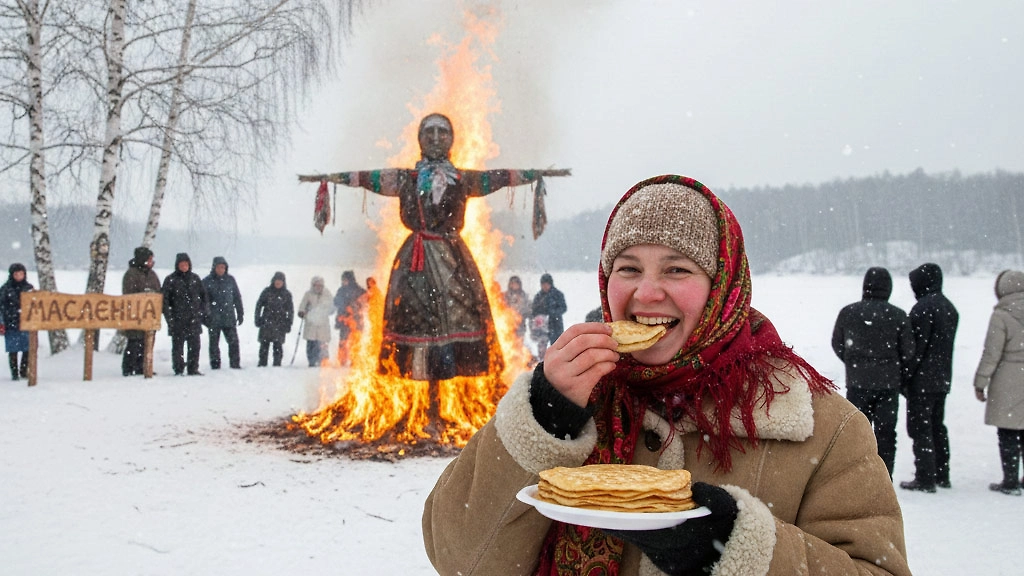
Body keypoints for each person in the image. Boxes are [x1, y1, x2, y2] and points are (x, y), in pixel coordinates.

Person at [422, 175, 910, 576]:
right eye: (628, 268)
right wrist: (542, 420)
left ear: (722, 287)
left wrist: (740, 549)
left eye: (677, 270)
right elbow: (460, 558)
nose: (647, 293)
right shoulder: (571, 395)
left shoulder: (820, 426)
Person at [297, 113, 569, 381]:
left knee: (460, 312)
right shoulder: (406, 179)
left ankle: (451, 367)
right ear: (420, 139)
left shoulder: (462, 179)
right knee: (414, 314)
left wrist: (535, 175)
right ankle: (418, 370)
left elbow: (497, 177)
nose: (436, 138)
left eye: (443, 132)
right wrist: (330, 179)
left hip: (453, 258)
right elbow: (367, 177)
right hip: (414, 259)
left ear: (451, 139)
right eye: (430, 133)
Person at [831, 266, 915, 477]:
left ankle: (858, 476)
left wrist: (853, 362)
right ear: (888, 288)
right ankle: (885, 478)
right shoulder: (897, 315)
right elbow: (908, 351)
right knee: (886, 434)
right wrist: (892, 366)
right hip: (888, 384)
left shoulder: (848, 312)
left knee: (858, 433)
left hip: (858, 383)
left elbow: (837, 343)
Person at [900, 262, 959, 493]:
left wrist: (905, 377)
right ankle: (942, 474)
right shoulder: (949, 308)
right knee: (937, 426)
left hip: (922, 381)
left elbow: (916, 350)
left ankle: (925, 478)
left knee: (920, 428)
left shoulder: (922, 309)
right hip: (942, 378)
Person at [973, 269, 1024, 496]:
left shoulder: (1001, 316)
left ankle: (1010, 481)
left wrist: (980, 382)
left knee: (1008, 432)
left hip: (1008, 382)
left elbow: (991, 354)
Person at [161, 253, 209, 376]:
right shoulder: (170, 280)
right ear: (177, 265)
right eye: (182, 264)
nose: (184, 267)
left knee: (195, 346)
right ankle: (178, 368)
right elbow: (164, 301)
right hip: (177, 320)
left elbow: (204, 297)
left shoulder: (195, 279)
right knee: (178, 348)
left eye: (186, 264)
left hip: (194, 319)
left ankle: (193, 368)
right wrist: (169, 318)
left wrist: (202, 312)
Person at [121, 247, 161, 376]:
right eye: (149, 259)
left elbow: (158, 291)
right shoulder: (131, 274)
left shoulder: (152, 274)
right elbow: (129, 294)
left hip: (149, 316)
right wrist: (145, 296)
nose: (151, 262)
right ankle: (128, 368)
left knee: (146, 342)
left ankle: (141, 367)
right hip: (135, 315)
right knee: (134, 342)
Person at [202, 256, 244, 370]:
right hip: (213, 318)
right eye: (219, 267)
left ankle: (235, 363)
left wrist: (240, 313)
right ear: (214, 267)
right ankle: (215, 365)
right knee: (214, 344)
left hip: (228, 317)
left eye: (223, 267)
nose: (221, 269)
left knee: (234, 342)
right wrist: (204, 317)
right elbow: (202, 301)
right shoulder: (206, 281)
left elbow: (237, 297)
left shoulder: (230, 280)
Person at [0, 263, 34, 381]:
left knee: (27, 349)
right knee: (13, 350)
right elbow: (1, 307)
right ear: (12, 275)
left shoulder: (29, 288)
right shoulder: (5, 289)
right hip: (11, 324)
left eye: (21, 273)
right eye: (16, 274)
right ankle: (14, 374)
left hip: (26, 323)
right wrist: (2, 322)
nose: (19, 276)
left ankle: (23, 372)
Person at [254, 272, 294, 367]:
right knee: (264, 345)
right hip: (266, 322)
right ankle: (262, 363)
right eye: (276, 280)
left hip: (280, 323)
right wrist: (257, 318)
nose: (278, 283)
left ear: (283, 282)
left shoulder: (286, 294)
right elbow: (259, 306)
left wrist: (289, 322)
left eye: (280, 281)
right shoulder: (266, 292)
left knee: (278, 345)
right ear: (273, 281)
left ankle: (277, 364)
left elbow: (290, 310)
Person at [297, 276, 334, 367]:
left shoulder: (327, 294)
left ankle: (323, 362)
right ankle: (312, 362)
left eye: (320, 285)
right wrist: (302, 312)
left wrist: (328, 310)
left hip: (322, 324)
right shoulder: (308, 294)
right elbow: (302, 305)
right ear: (313, 285)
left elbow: (332, 307)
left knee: (322, 344)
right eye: (316, 285)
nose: (318, 287)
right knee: (311, 344)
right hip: (311, 324)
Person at [530, 273, 567, 361]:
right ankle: (542, 365)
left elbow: (563, 308)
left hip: (555, 326)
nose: (544, 286)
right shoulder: (538, 296)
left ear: (550, 284)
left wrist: (552, 313)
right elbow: (533, 310)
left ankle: (557, 364)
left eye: (546, 284)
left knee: (556, 348)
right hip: (542, 329)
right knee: (542, 349)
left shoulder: (557, 295)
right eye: (542, 284)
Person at [333, 270, 365, 366]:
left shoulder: (358, 290)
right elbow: (336, 301)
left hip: (355, 320)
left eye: (345, 279)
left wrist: (353, 307)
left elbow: (364, 300)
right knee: (343, 340)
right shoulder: (341, 290)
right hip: (343, 320)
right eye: (343, 280)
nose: (343, 281)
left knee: (354, 341)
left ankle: (354, 360)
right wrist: (344, 308)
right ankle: (342, 360)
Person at [503, 275, 531, 341]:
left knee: (519, 344)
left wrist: (523, 315)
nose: (514, 285)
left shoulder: (524, 295)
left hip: (520, 325)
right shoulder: (505, 296)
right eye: (512, 283)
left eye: (516, 283)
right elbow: (501, 308)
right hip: (509, 325)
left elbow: (528, 308)